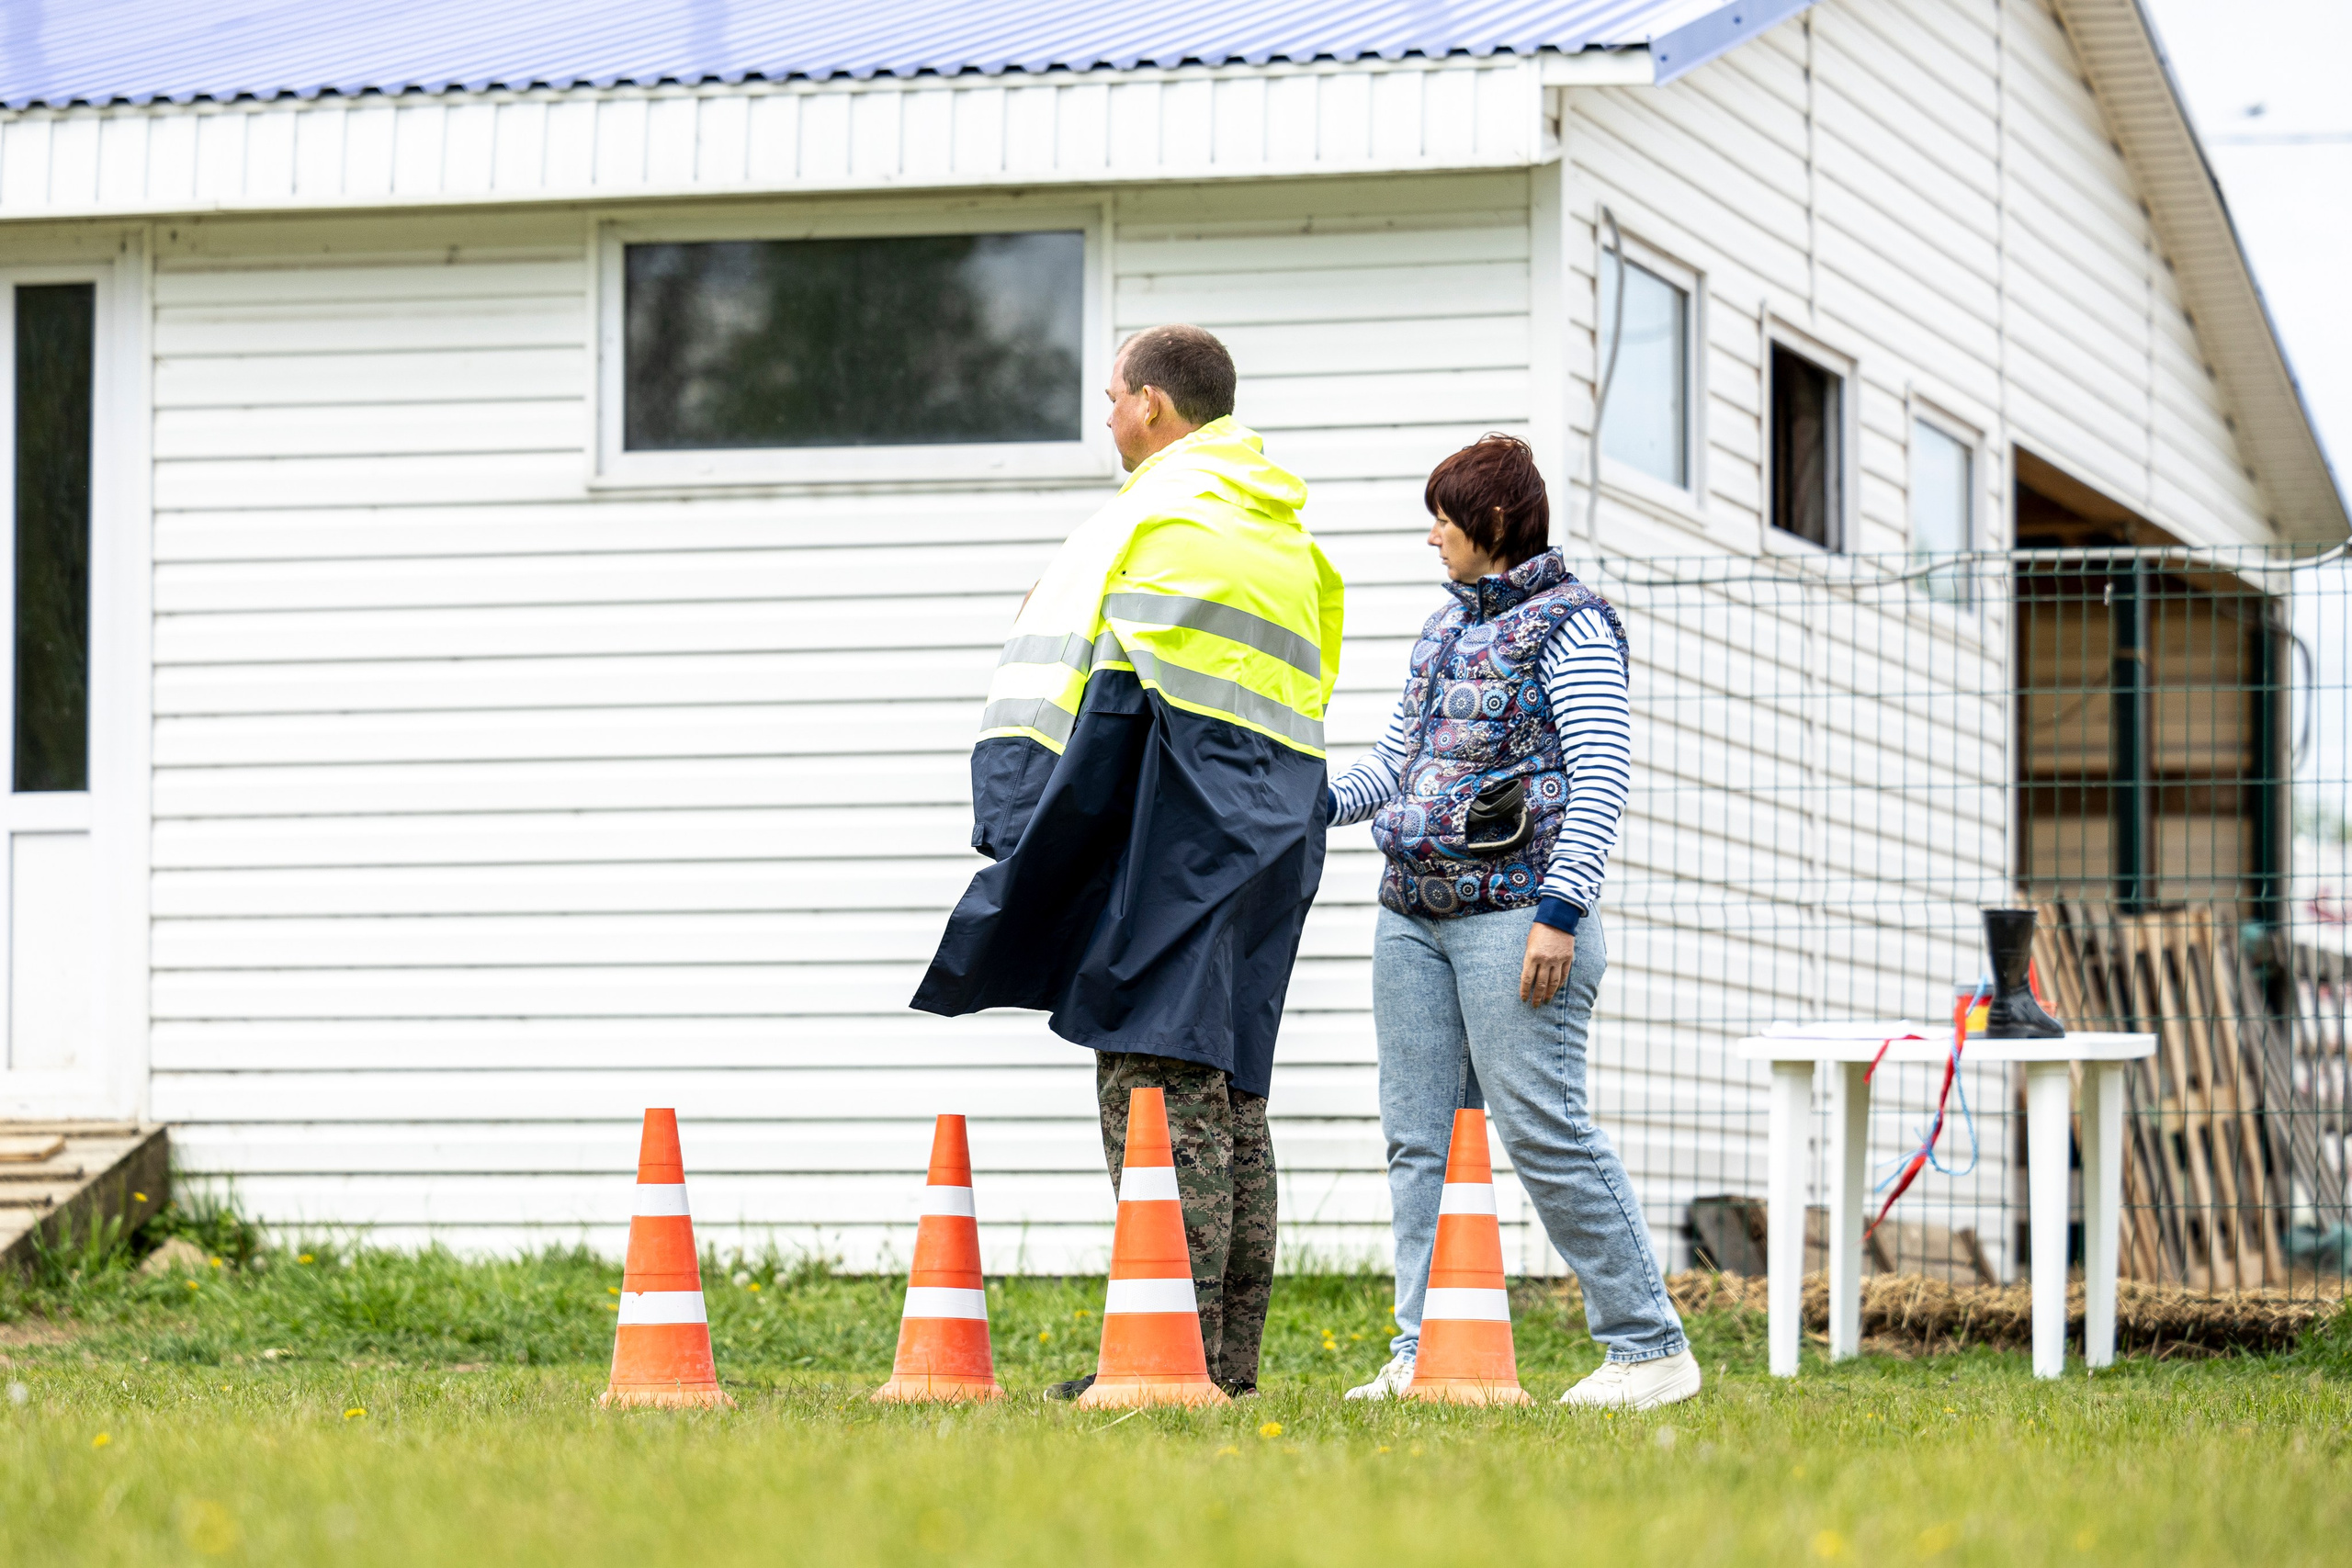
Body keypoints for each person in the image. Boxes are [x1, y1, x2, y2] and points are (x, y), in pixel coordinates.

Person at [912, 324, 1343, 1400]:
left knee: (1152, 1091)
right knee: (1233, 1100)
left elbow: (1093, 702)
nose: (1105, 418)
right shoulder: (1286, 537)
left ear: (1153, 404)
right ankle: (1225, 1367)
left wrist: (1020, 832)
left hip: (1174, 841)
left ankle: (1163, 1368)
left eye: (1111, 397)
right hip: (1267, 839)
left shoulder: (1147, 518)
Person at [1329, 434, 1700, 1411]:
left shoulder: (1574, 626)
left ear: (1490, 525)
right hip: (1411, 914)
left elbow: (1600, 778)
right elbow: (1392, 766)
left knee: (1544, 1129)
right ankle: (1427, 1351)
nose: (1430, 541)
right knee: (1419, 1139)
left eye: (1442, 523)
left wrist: (1560, 912)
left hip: (1519, 922)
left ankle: (1648, 1347)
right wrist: (1300, 804)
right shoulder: (1441, 629)